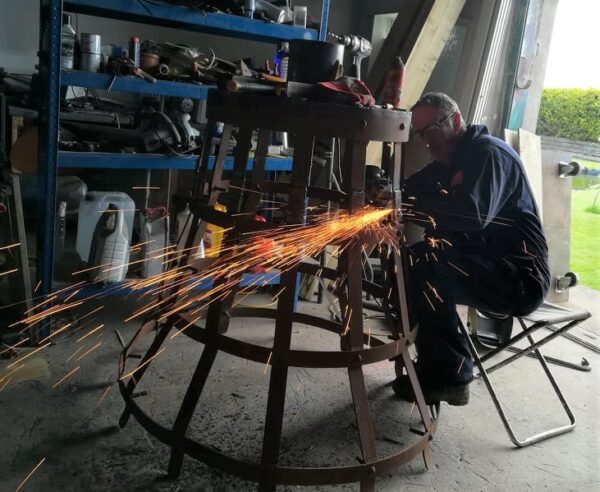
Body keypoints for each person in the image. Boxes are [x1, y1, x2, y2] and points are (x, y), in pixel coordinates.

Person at [393, 92, 550, 406]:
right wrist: (384, 194)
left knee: (430, 267)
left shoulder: (488, 155)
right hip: (481, 264)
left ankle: (451, 377)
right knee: (410, 261)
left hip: (519, 277)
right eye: (421, 134)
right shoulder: (446, 162)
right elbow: (405, 191)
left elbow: (472, 216)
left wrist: (413, 207)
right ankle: (433, 362)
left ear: (455, 120)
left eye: (432, 131)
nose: (427, 141)